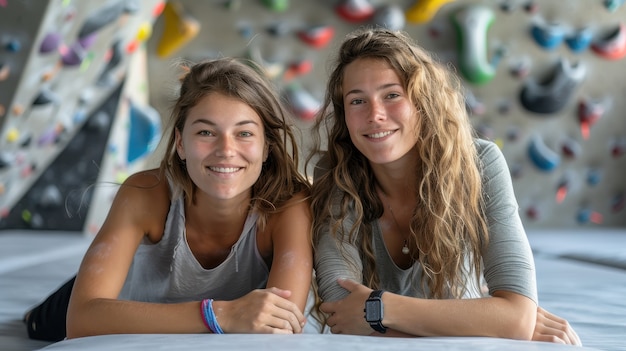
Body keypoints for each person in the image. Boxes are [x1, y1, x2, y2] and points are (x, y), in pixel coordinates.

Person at [307, 27, 581, 345]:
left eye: (392, 95)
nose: (375, 115)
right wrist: (485, 319)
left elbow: (517, 318)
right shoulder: (335, 173)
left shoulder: (480, 163)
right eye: (357, 101)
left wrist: (378, 309)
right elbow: (340, 314)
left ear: (423, 101)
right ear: (344, 116)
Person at [24, 57, 313, 341]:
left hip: (192, 314)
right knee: (36, 325)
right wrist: (219, 314)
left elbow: (282, 325)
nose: (226, 149)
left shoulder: (289, 206)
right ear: (180, 144)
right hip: (123, 305)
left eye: (244, 133)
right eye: (206, 132)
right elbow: (81, 321)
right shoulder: (146, 194)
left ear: (265, 148)